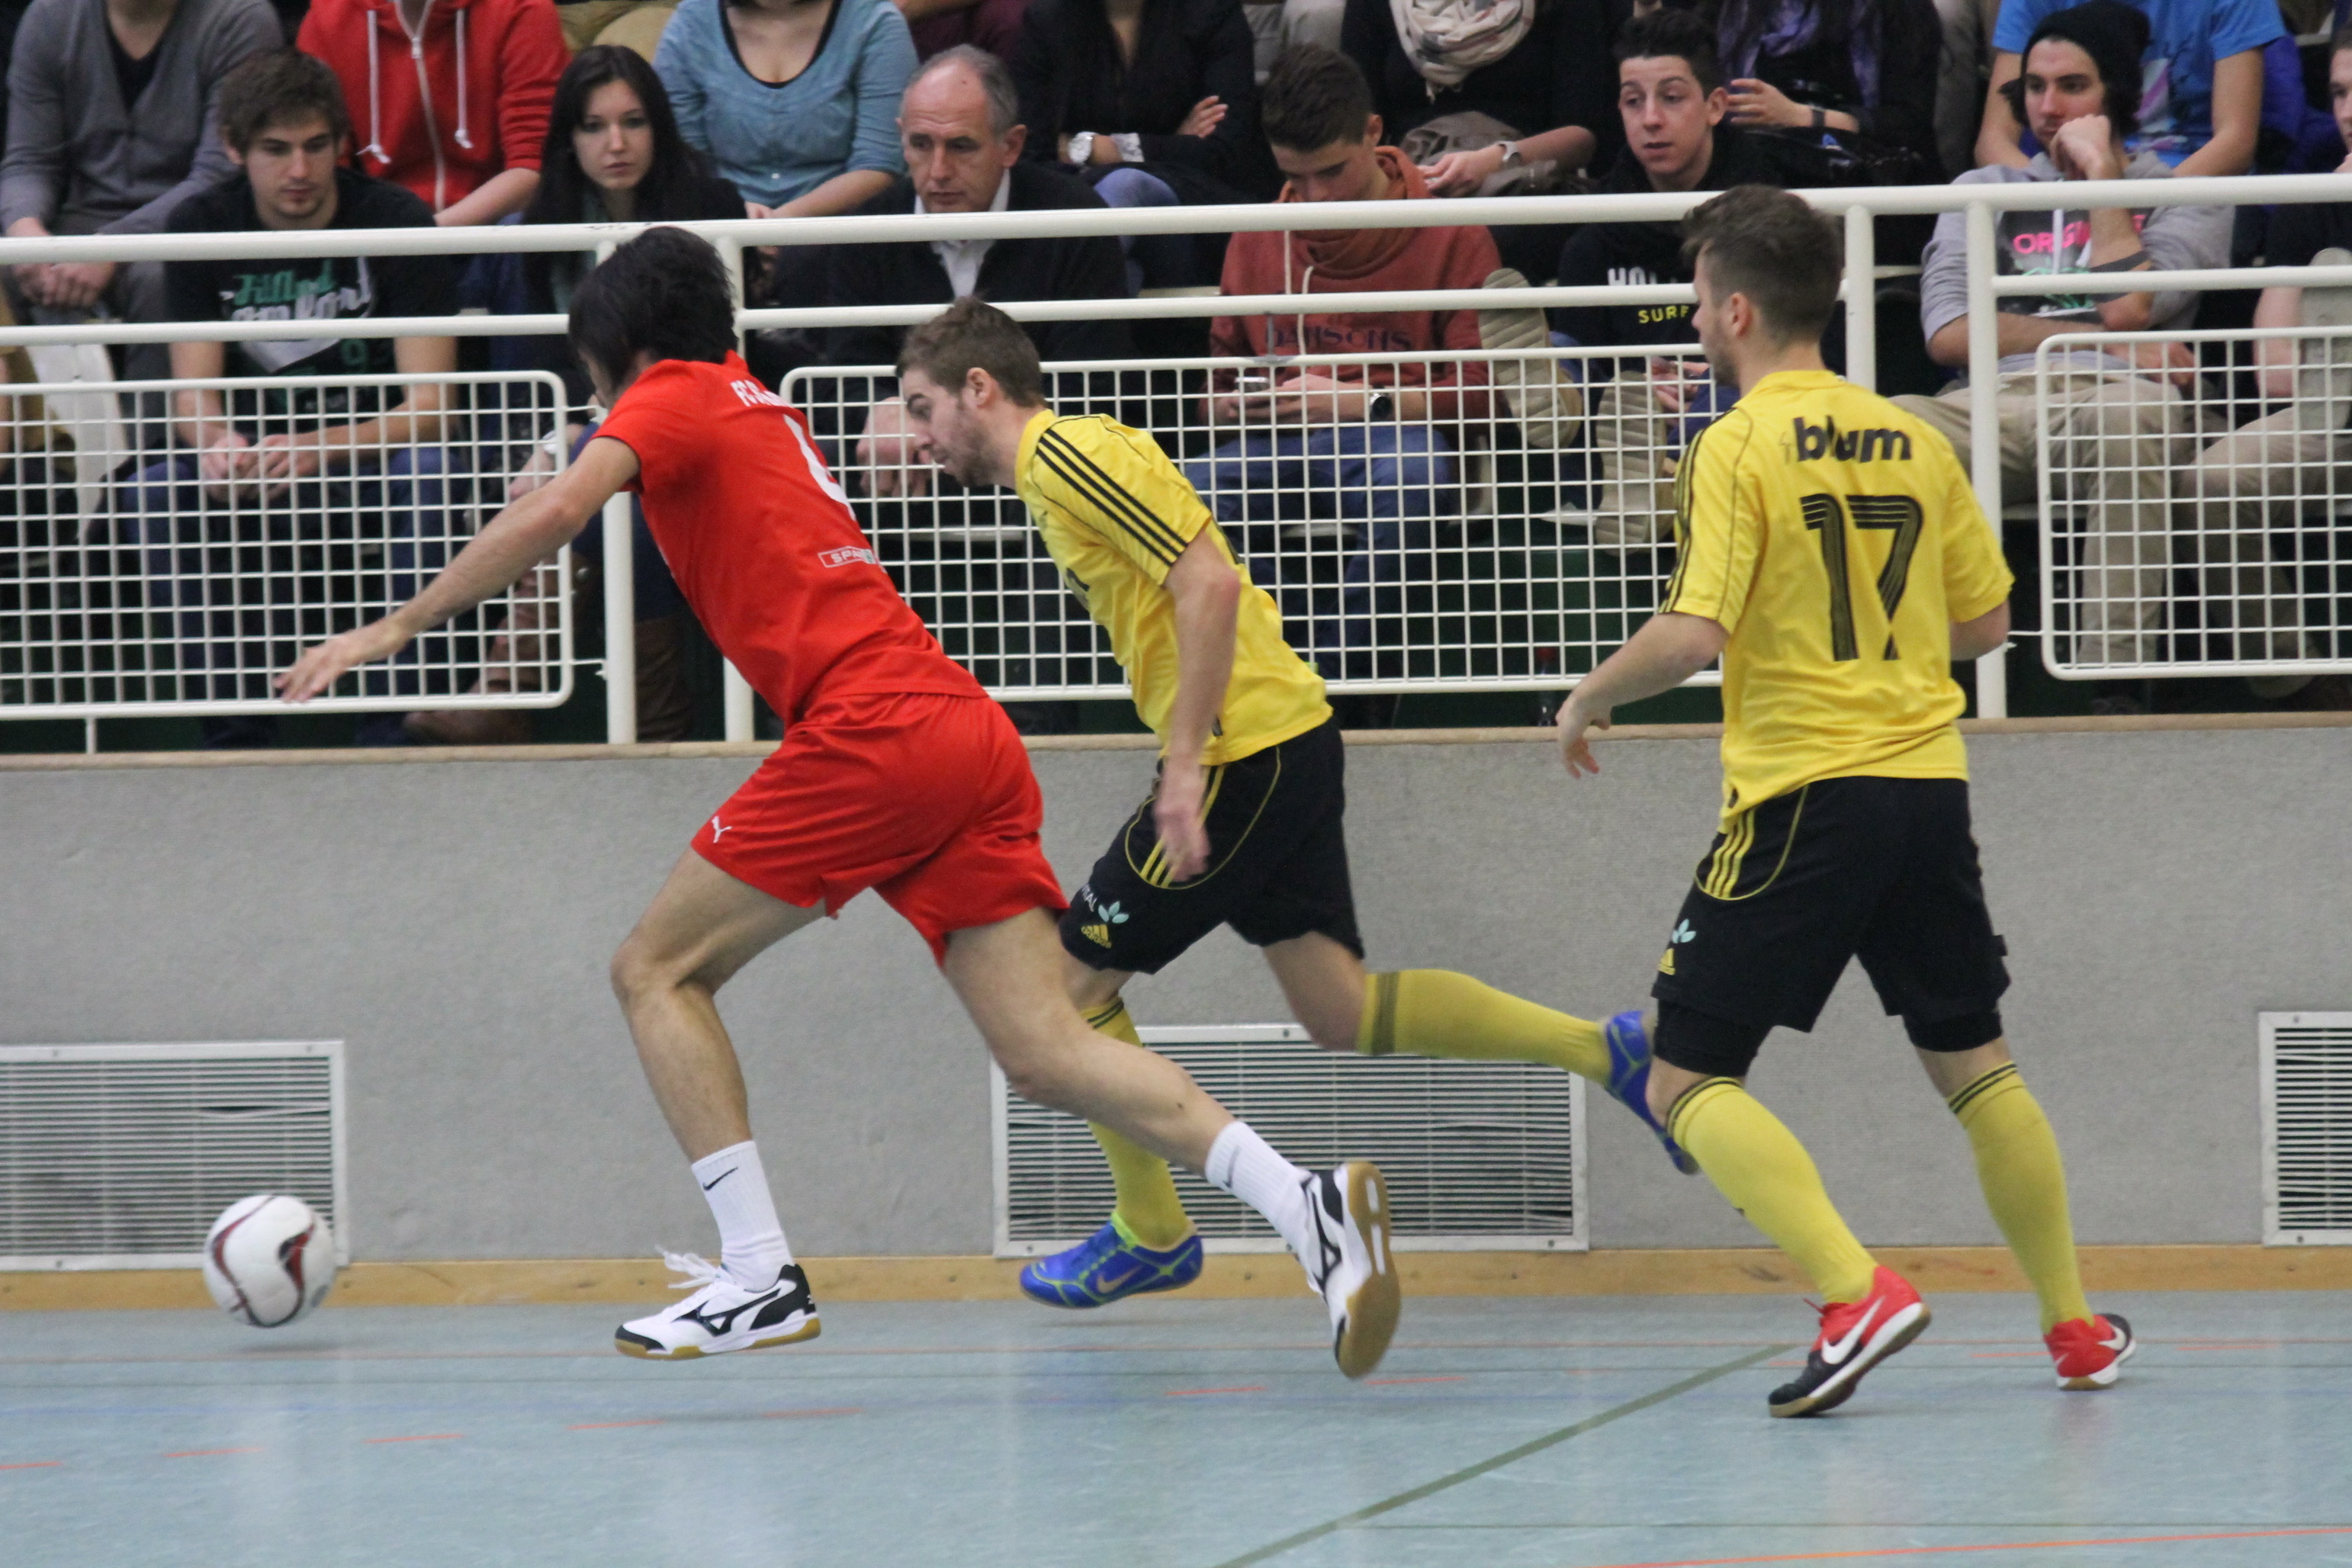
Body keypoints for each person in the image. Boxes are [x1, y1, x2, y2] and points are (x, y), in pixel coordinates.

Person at [277, 227, 1403, 1380]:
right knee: (1046, 1049)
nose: (597, 400)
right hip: (961, 732)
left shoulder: (672, 391)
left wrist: (390, 629)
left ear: (625, 350)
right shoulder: (761, 403)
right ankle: (1303, 1205)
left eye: (593, 374)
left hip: (872, 733)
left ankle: (758, 1274)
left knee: (655, 971)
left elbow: (560, 514)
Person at [895, 296, 1687, 1309]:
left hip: (1244, 757)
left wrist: (1186, 769)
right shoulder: (1060, 472)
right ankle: (1606, 1050)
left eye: (922, 409)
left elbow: (1209, 585)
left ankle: (1150, 1230)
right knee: (1339, 1008)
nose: (919, 438)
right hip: (1287, 740)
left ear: (979, 389)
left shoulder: (1066, 456)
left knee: (1060, 995)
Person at [1557, 182, 2135, 1418]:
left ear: (1735, 310)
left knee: (1678, 1078)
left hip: (1803, 793)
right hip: (1924, 789)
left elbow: (1693, 631)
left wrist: (1588, 693)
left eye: (1699, 302)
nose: (1695, 322)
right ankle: (2073, 1324)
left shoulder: (1734, 442)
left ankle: (1849, 1291)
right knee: (1975, 1066)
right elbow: (1986, 620)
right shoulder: (1913, 436)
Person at [121, 49, 460, 749]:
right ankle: (234, 735)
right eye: (276, 150)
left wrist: (314, 449)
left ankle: (397, 723)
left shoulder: (395, 218)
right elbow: (193, 400)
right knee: (156, 491)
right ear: (234, 148)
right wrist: (219, 447)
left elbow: (432, 407)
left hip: (366, 460)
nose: (300, 170)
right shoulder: (199, 225)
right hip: (252, 469)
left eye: (315, 146)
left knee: (432, 472)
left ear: (341, 143)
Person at [1894, 0, 2226, 690]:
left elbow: (2130, 305)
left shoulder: (2186, 196)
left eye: (2073, 87)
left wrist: (2102, 178)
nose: (2048, 108)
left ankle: (2113, 684)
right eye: (2034, 88)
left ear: (2118, 97)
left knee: (2131, 418)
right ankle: (1902, 679)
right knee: (1878, 432)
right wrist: (2108, 341)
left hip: (2115, 402)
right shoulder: (1981, 190)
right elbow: (1948, 330)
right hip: (1991, 403)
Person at [423, 44, 750, 746]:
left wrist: (586, 437)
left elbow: (712, 355)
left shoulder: (710, 208)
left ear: (659, 128)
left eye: (633, 122)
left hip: (688, 434)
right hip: (558, 443)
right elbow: (530, 377)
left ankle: (507, 689)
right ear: (568, 139)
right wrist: (570, 436)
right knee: (611, 496)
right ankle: (654, 721)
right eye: (594, 126)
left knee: (608, 485)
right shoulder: (532, 233)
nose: (616, 144)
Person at [824, 45, 1134, 735]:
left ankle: (1035, 736)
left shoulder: (1074, 220)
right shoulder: (865, 230)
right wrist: (881, 408)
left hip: (1033, 468)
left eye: (960, 147)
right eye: (920, 145)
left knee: (1070, 486)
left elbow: (1098, 382)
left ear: (1011, 145)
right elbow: (841, 373)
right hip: (909, 466)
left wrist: (978, 431)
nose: (937, 172)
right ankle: (860, 721)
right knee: (823, 496)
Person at [1187, 45, 1505, 692]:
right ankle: (1287, 660)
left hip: (1394, 440)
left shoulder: (1452, 231)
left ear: (1373, 132)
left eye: (1332, 171)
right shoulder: (1258, 234)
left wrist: (1362, 401)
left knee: (1413, 476)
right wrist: (1231, 405)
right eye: (1295, 178)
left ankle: (1331, 679)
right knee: (1186, 497)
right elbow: (1213, 390)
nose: (1316, 197)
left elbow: (1488, 395)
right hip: (1274, 440)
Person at [1554, 8, 1801, 551]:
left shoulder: (1775, 222)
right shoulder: (1594, 235)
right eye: (1632, 101)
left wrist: (1723, 371)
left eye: (1671, 98)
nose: (1650, 120)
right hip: (1624, 420)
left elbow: (1804, 349)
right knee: (1562, 354)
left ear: (1715, 106)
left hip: (1736, 408)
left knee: (1728, 400)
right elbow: (1598, 364)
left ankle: (1660, 486)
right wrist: (1635, 387)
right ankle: (1564, 404)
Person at [2177, 26, 2352, 707]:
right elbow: (2277, 370)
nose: (2348, 112)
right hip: (2331, 420)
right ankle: (2293, 683)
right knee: (2211, 481)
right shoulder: (2313, 197)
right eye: (2339, 93)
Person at [1, 0, 281, 379]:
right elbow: (30, 160)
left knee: (162, 278)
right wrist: (25, 233)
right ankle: (32, 418)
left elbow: (219, 175)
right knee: (9, 266)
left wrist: (112, 246)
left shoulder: (240, 19)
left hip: (192, 228)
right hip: (77, 224)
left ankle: (163, 421)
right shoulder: (49, 17)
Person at [1338, 0, 1618, 278]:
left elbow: (1583, 136)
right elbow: (1358, 128)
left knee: (1495, 238)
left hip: (1526, 184)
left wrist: (1495, 161)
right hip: (1416, 181)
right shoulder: (1373, 6)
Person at [1011, 0, 1281, 281]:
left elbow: (1224, 150)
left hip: (1194, 218)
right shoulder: (1048, 20)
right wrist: (1172, 144)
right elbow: (1031, 156)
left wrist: (1095, 149)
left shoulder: (1211, 12)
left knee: (1126, 186)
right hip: (1082, 206)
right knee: (1127, 272)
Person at [297, 0, 569, 226]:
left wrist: (426, 236)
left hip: (497, 231)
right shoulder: (327, 21)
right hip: (385, 232)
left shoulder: (522, 9)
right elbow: (331, 170)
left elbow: (534, 165)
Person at [653, 0, 914, 222]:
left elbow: (879, 164)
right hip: (721, 225)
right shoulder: (691, 22)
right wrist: (738, 216)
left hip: (843, 231)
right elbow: (684, 160)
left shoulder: (875, 22)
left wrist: (778, 225)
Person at [1977, 0, 2278, 175]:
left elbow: (2236, 142)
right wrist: (2052, 200)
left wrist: (2138, 205)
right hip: (2060, 183)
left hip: (2187, 186)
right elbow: (1994, 142)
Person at [1712, 0, 1946, 178]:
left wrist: (1801, 116)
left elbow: (1910, 124)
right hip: (1757, 174)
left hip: (1868, 178)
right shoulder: (1723, 9)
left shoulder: (1898, 9)